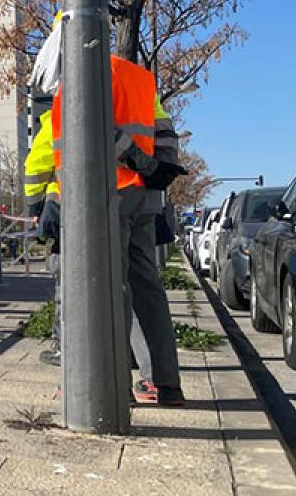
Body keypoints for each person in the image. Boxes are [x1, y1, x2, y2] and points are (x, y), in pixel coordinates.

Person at [40, 20, 188, 406]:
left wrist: (136, 161)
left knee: (108, 289)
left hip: (107, 194)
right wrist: (158, 172)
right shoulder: (139, 77)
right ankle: (165, 383)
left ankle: (111, 385)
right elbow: (165, 131)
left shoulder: (82, 75)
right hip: (143, 197)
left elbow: (98, 130)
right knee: (146, 287)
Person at [23, 107, 62, 365]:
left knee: (67, 282)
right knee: (131, 284)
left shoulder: (56, 118)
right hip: (134, 202)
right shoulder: (140, 92)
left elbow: (36, 168)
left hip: (67, 208)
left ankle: (64, 345)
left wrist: (34, 209)